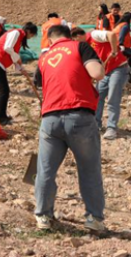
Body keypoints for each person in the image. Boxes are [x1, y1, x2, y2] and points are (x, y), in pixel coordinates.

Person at [34, 24, 105, 232]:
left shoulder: (44, 57)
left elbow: (41, 83)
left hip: (50, 120)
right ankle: (94, 219)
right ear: (69, 36)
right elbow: (97, 73)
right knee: (89, 170)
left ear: (49, 40)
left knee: (45, 170)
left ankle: (43, 216)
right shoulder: (80, 47)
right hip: (79, 116)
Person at [73, 24, 130, 140]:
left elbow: (111, 34)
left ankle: (111, 128)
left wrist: (114, 50)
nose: (75, 43)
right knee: (97, 97)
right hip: (104, 71)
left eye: (75, 40)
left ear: (78, 36)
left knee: (113, 98)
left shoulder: (93, 35)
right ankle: (95, 124)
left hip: (118, 68)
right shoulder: (84, 46)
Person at [0, 22, 38, 125]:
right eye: (32, 35)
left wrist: (20, 68)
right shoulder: (16, 33)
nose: (31, 37)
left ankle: (0, 116)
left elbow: (13, 55)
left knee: (4, 90)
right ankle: (0, 118)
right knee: (4, 90)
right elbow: (7, 48)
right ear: (29, 31)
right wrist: (17, 57)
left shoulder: (19, 37)